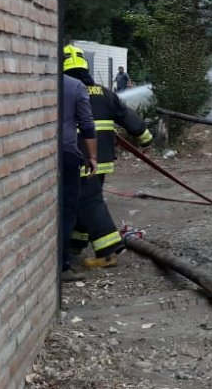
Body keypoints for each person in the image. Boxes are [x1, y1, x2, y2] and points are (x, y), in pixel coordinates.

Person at [64, 45, 153, 269]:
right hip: (102, 161)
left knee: (89, 202)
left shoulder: (67, 92)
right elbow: (127, 117)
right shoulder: (104, 93)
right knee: (80, 200)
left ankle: (108, 251)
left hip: (82, 160)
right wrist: (146, 139)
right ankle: (75, 243)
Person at [61, 73, 97, 282]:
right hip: (66, 155)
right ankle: (63, 264)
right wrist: (91, 156)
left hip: (37, 151)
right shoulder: (75, 86)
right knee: (66, 210)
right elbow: (87, 125)